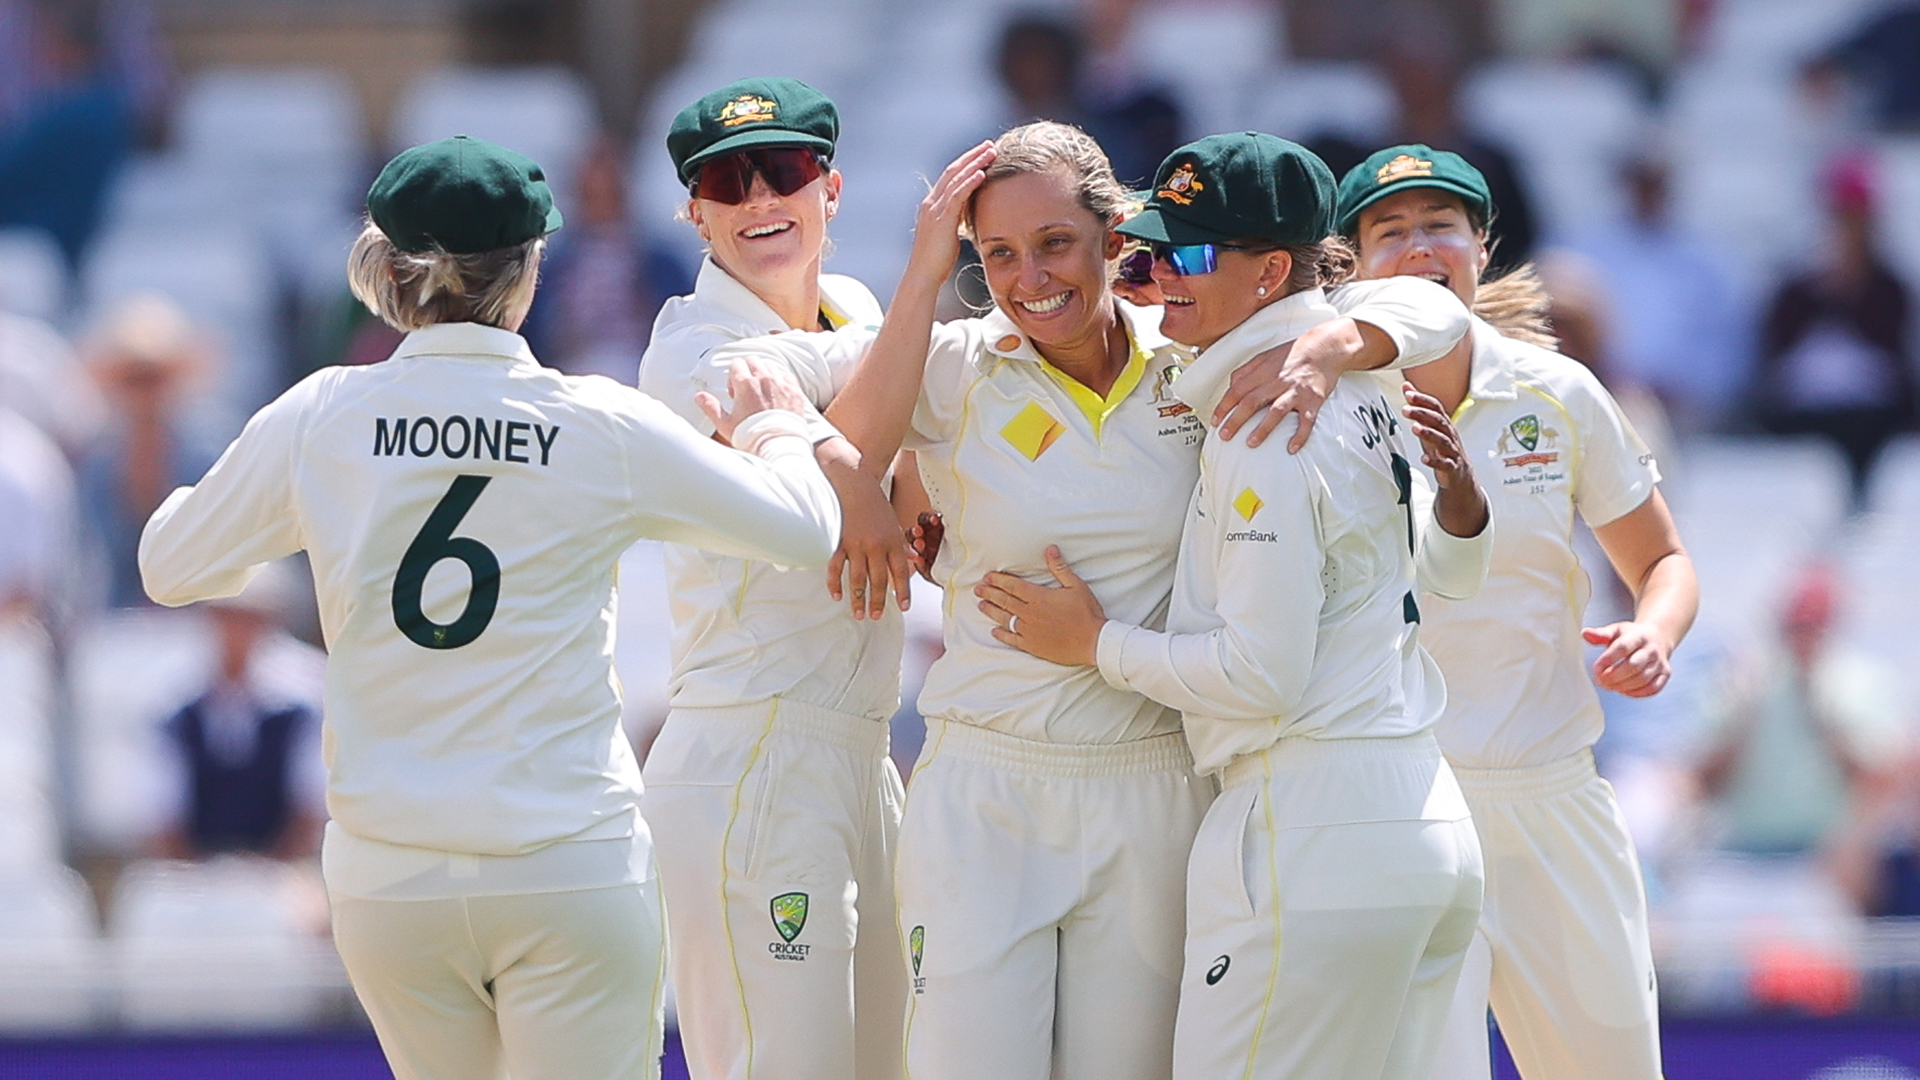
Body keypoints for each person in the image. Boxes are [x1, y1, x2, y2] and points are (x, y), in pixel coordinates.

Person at [138, 135, 844, 1080]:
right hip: (566, 862)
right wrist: (774, 424)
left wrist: (231, 491)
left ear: (389, 267)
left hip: (391, 880)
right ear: (528, 267)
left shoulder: (321, 413)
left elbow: (167, 566)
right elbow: (805, 528)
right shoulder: (593, 418)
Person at [804, 122, 1477, 1080]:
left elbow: (1433, 309)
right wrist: (919, 281)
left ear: (1118, 238)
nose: (1029, 277)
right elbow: (835, 435)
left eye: (1055, 243)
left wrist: (1330, 341)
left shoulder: (1199, 341)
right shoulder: (955, 359)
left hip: (1161, 781)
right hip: (990, 783)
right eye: (995, 254)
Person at [1334, 143, 1699, 1080]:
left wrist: (1652, 634)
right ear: (1351, 263)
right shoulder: (1325, 400)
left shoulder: (1558, 391)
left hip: (1550, 790)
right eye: (1390, 232)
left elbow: (1661, 560)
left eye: (1438, 227)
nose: (1419, 249)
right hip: (1398, 802)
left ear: (1480, 247)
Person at [633, 76, 921, 1080]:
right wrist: (904, 355)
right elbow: (833, 510)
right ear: (695, 211)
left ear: (830, 188)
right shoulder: (686, 350)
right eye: (728, 179)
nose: (761, 200)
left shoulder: (860, 313)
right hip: (754, 745)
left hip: (863, 746)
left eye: (785, 171)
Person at [1752, 153, 1915, 513]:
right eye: (1842, 216)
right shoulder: (1796, 287)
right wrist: (1825, 292)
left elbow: (1893, 355)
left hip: (1873, 420)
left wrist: (1853, 292)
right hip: (1804, 416)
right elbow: (1776, 354)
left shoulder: (1890, 286)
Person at [153, 560, 325, 862]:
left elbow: (310, 810)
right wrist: (200, 876)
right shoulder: (171, 703)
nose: (236, 630)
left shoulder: (306, 699)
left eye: (249, 618)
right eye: (225, 617)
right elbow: (162, 815)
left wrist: (268, 872)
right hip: (194, 875)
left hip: (284, 872)